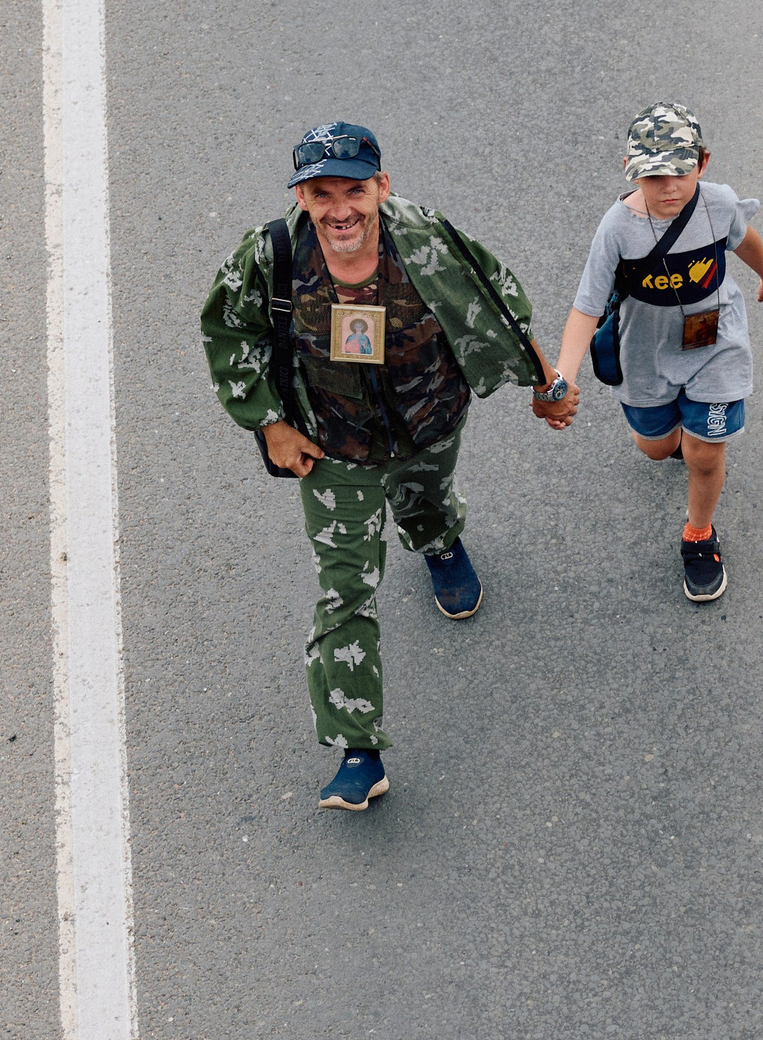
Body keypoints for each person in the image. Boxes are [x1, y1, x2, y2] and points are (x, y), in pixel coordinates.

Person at [201, 123, 579, 810]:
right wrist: (271, 423)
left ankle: (437, 542)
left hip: (428, 422)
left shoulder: (424, 240)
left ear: (383, 185)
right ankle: (358, 749)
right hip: (333, 448)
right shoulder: (272, 257)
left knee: (426, 503)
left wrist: (544, 385)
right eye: (322, 194)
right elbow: (230, 333)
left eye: (355, 189)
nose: (340, 208)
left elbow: (497, 304)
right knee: (345, 589)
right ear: (303, 196)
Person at [549, 103, 763, 602]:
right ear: (631, 172)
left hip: (717, 346)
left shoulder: (717, 203)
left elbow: (745, 238)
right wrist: (564, 375)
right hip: (645, 357)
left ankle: (699, 534)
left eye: (680, 170)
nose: (668, 186)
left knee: (704, 452)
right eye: (653, 175)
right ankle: (681, 440)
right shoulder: (616, 228)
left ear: (702, 161)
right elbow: (586, 308)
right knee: (655, 447)